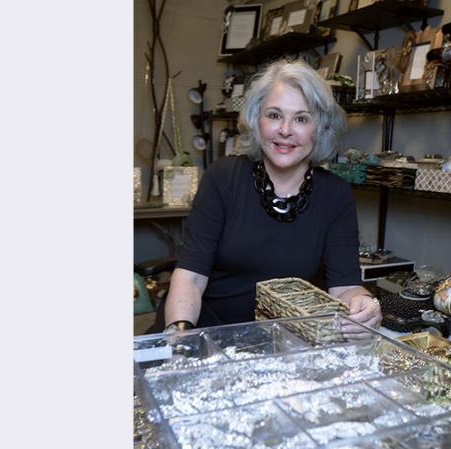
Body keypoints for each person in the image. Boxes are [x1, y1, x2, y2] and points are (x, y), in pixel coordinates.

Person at [163, 58, 381, 335]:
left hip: (284, 342)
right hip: (206, 332)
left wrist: (363, 304)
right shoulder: (222, 178)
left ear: (320, 128)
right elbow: (191, 277)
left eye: (301, 118)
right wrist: (181, 338)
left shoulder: (335, 193)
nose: (286, 130)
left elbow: (345, 286)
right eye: (275, 115)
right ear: (257, 120)